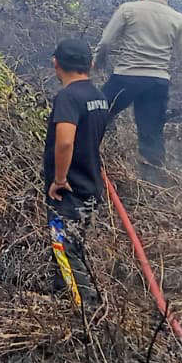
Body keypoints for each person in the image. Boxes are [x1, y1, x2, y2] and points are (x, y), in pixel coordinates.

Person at [95, 0, 182, 176]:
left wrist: (97, 62)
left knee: (96, 115)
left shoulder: (128, 10)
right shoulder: (179, 19)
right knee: (151, 137)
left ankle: (87, 161)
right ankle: (151, 188)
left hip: (126, 78)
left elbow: (106, 42)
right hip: (157, 83)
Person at [43, 38, 112, 309]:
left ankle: (84, 307)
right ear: (91, 65)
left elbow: (65, 141)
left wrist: (59, 180)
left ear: (56, 64)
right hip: (91, 185)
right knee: (73, 244)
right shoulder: (98, 96)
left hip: (69, 190)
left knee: (62, 245)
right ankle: (64, 296)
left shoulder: (68, 97)